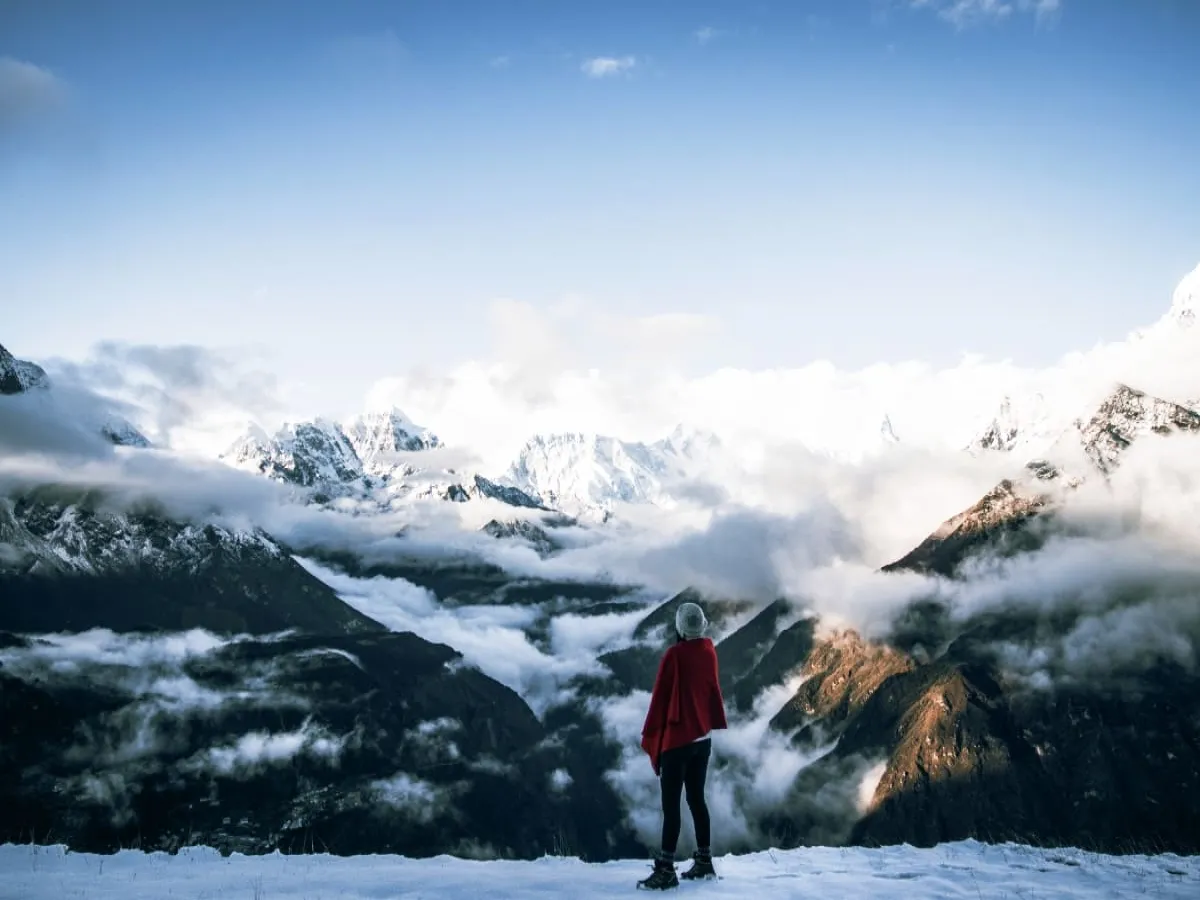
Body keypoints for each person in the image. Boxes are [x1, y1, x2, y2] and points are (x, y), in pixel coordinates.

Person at [637, 600, 728, 891]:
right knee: (696, 800)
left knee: (671, 806)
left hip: (677, 742)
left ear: (678, 628)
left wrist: (653, 736)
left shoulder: (674, 656)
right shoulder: (709, 651)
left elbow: (660, 700)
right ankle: (704, 861)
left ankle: (665, 869)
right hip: (703, 741)